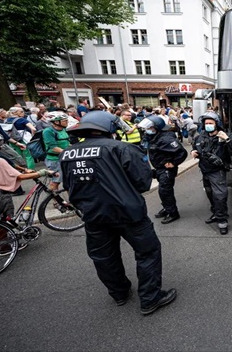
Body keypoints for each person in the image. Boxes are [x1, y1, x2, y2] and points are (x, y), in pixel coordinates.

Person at [59, 111, 177, 315]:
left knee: (103, 256)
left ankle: (119, 293)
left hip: (93, 215)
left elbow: (68, 185)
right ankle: (150, 298)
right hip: (128, 213)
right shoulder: (123, 148)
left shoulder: (68, 153)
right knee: (147, 252)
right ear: (110, 127)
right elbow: (143, 182)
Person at [191, 112, 232, 234]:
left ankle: (222, 221)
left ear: (217, 124)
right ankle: (215, 213)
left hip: (217, 171)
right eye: (206, 123)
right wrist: (193, 151)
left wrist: (227, 140)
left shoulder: (225, 135)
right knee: (210, 194)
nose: (208, 125)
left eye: (211, 123)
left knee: (220, 196)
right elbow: (196, 147)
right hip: (205, 171)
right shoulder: (200, 136)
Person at [139, 115, 188, 224]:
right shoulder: (154, 137)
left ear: (156, 127)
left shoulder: (166, 139)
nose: (148, 130)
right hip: (160, 168)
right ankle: (167, 208)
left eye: (150, 128)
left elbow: (182, 153)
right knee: (163, 192)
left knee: (165, 191)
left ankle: (173, 213)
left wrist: (173, 163)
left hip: (166, 170)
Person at [42, 112, 71, 192]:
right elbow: (54, 148)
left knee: (69, 181)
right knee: (56, 182)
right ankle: (56, 202)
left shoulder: (64, 129)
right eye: (65, 120)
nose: (67, 122)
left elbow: (67, 143)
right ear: (56, 122)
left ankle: (71, 202)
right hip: (54, 160)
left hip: (64, 158)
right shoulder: (48, 131)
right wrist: (70, 152)